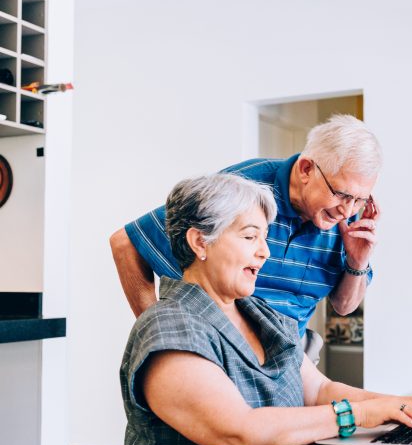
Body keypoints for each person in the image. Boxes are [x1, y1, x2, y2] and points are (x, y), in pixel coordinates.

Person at [114, 173, 412, 445]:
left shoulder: (260, 313)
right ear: (200, 242)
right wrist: (359, 414)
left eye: (264, 237)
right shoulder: (168, 326)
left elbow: (320, 389)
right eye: (250, 237)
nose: (264, 252)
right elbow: (239, 434)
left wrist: (402, 405)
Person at [110, 114, 381, 337]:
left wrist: (357, 262)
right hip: (223, 350)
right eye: (341, 194)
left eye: (360, 199)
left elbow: (344, 306)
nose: (347, 210)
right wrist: (158, 334)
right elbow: (125, 244)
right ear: (306, 169)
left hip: (289, 356)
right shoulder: (245, 188)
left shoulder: (347, 217)